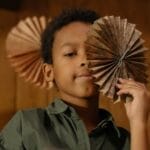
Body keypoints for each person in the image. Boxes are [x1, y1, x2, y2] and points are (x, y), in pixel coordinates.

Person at [0, 8, 149, 150]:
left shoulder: (127, 141)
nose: (86, 60)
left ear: (110, 65)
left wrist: (138, 122)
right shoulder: (26, 124)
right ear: (49, 72)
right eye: (70, 53)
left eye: (95, 52)